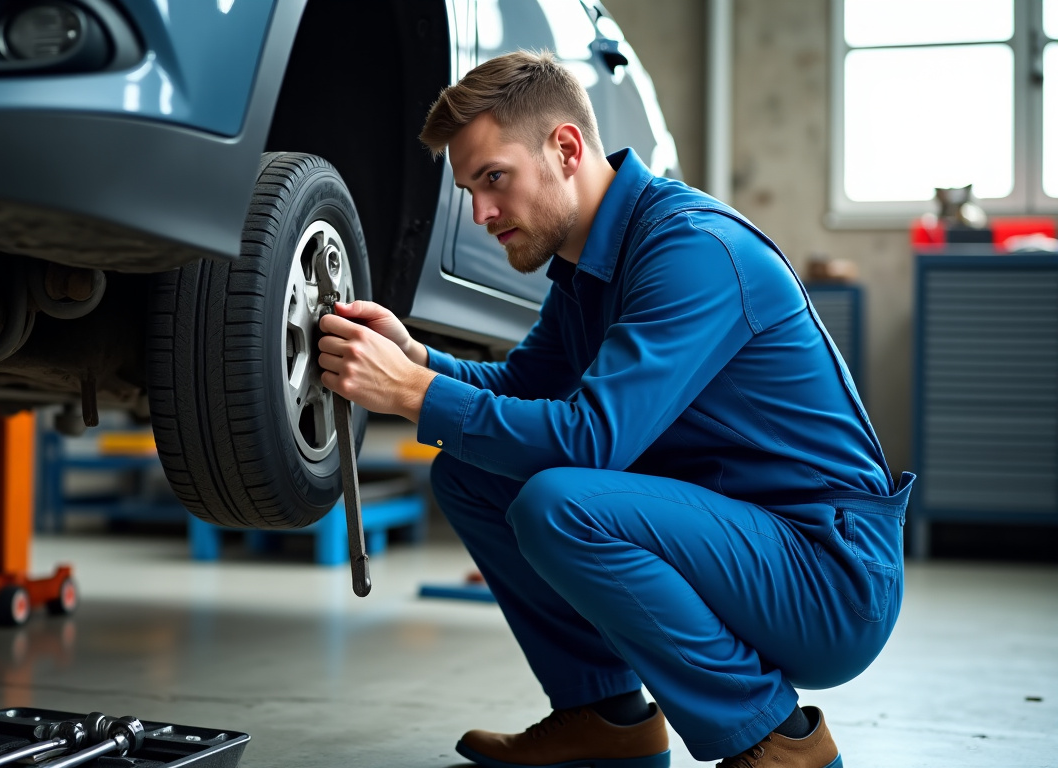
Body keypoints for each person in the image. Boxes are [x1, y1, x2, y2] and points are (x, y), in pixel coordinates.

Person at [316, 50, 911, 768]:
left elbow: (589, 440)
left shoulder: (691, 250)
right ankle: (606, 716)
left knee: (561, 502)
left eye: (493, 179)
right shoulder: (589, 268)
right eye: (470, 190)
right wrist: (418, 364)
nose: (480, 214)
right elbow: (522, 387)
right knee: (471, 475)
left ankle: (777, 741)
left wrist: (412, 396)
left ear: (565, 148)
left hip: (828, 576)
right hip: (749, 542)